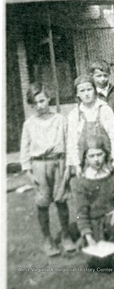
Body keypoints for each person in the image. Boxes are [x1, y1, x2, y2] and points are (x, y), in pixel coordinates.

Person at [20, 82, 75, 256]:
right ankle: (47, 239)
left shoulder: (60, 119)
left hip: (58, 163)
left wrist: (69, 167)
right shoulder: (29, 124)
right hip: (39, 166)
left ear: (48, 99)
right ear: (31, 105)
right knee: (42, 204)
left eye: (42, 101)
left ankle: (66, 236)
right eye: (34, 103)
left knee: (61, 201)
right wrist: (28, 170)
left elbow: (69, 144)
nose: (39, 106)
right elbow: (25, 148)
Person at [71, 136, 114, 251]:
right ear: (85, 158)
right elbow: (81, 212)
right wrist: (90, 239)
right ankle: (85, 237)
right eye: (92, 156)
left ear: (105, 154)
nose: (96, 159)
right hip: (94, 222)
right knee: (97, 260)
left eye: (99, 154)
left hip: (113, 221)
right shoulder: (80, 181)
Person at [67, 74, 114, 176]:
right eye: (82, 91)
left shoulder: (105, 109)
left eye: (89, 89)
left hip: (106, 161)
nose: (86, 93)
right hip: (85, 163)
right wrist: (76, 165)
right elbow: (72, 142)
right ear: (77, 94)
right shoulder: (74, 114)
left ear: (94, 90)